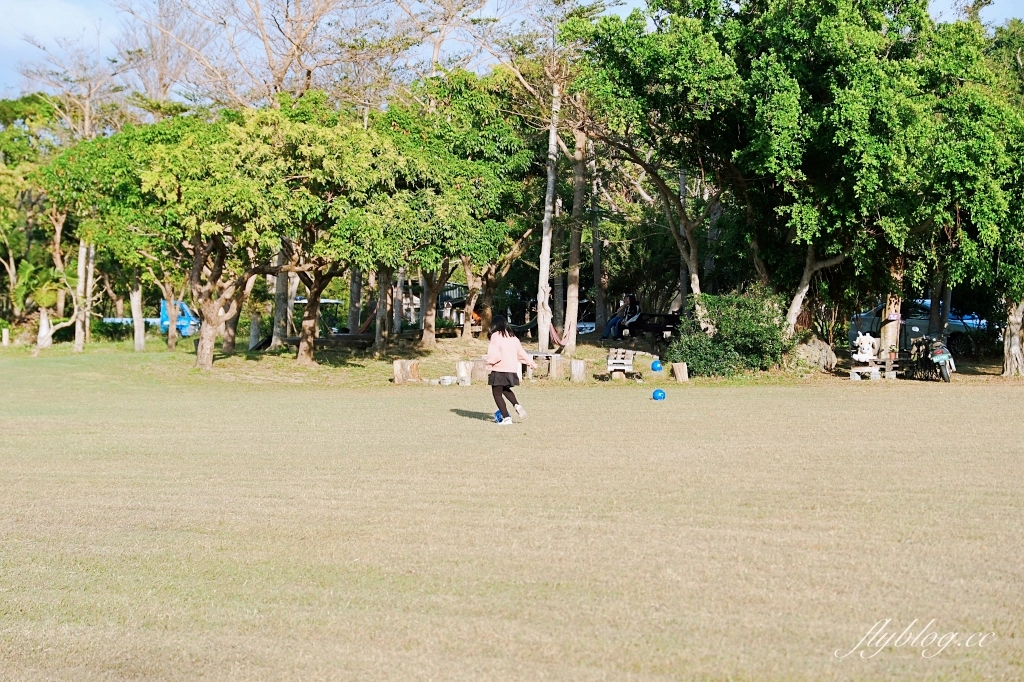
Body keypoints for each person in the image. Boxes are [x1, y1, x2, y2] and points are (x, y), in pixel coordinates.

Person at [484, 315, 537, 425]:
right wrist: (530, 362)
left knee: (496, 393)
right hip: (511, 369)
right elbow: (521, 352)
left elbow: (495, 353)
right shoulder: (514, 338)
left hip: (499, 368)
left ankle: (506, 418)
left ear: (494, 325)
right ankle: (516, 405)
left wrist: (489, 363)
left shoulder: (495, 336)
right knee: (504, 389)